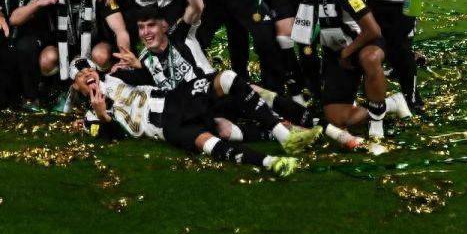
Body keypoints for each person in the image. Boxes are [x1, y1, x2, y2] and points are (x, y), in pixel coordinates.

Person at [71, 61, 314, 176]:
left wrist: (138, 66)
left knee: (227, 78)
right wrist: (103, 116)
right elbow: (116, 138)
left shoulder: (115, 78)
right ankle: (271, 162)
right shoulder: (91, 119)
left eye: (90, 69)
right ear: (75, 86)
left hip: (175, 100)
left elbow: (147, 79)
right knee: (210, 142)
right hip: (166, 128)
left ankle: (284, 135)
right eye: (81, 74)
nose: (88, 74)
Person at [292, 0, 412, 147]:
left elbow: (373, 30)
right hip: (337, 50)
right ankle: (392, 103)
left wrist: (347, 53)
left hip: (364, 42)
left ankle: (377, 121)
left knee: (370, 58)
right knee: (336, 119)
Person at [13, 0, 129, 87]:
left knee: (101, 55)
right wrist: (39, 3)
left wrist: (125, 60)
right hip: (61, 48)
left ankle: (104, 84)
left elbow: (120, 30)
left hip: (94, 46)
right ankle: (56, 87)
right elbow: (14, 19)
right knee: (47, 59)